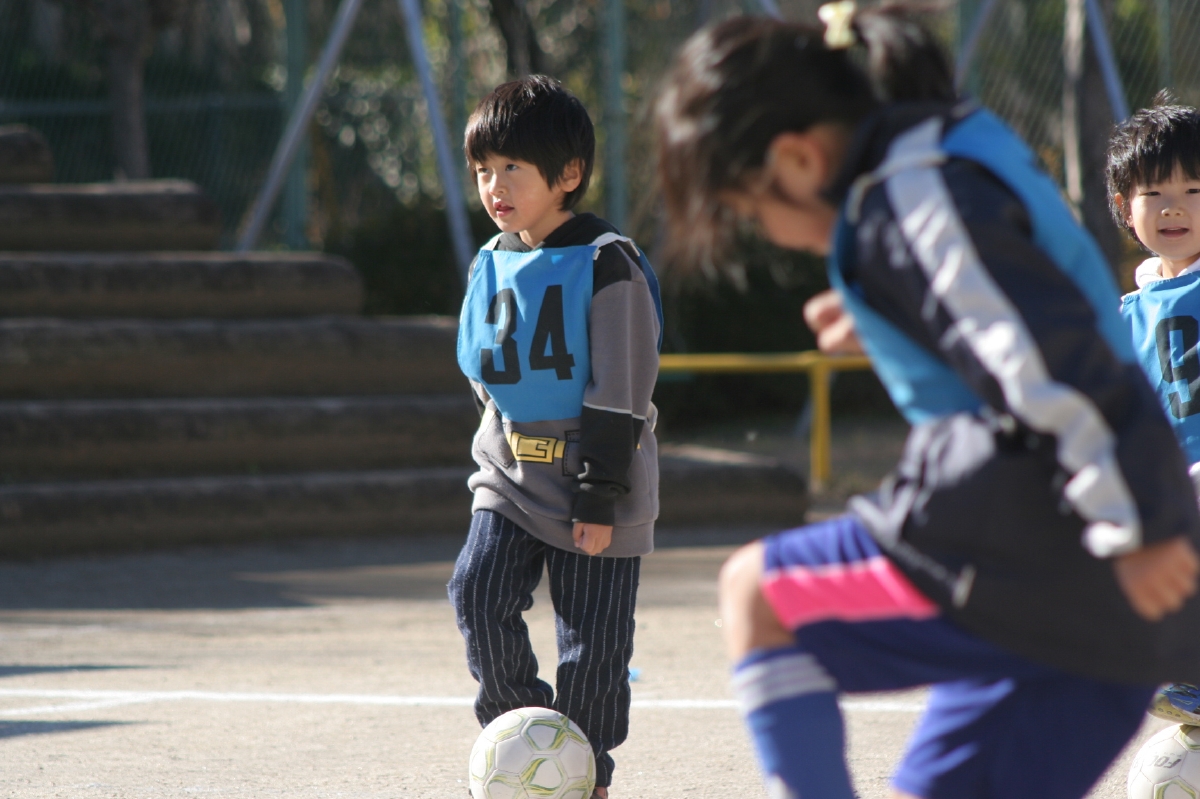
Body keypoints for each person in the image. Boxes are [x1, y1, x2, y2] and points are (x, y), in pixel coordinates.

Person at [654, 4, 1200, 799]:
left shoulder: (914, 194)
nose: (771, 235)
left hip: (1038, 547)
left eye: (751, 211)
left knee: (758, 596)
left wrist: (1136, 520)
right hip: (1100, 622)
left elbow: (1050, 360)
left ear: (798, 158)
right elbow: (1018, 304)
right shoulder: (955, 141)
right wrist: (898, 315)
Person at [448, 75, 663, 799]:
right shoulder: (491, 259)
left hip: (595, 479)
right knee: (476, 591)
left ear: (568, 174)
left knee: (593, 649)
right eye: (483, 169)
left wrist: (599, 494)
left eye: (513, 166)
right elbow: (482, 369)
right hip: (510, 474)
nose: (495, 185)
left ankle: (587, 773)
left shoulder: (606, 261)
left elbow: (621, 387)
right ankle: (523, 737)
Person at [1110, 94, 1200, 727]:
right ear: (1125, 207)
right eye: (1155, 193)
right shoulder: (1129, 312)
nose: (1174, 207)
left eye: (1194, 190)